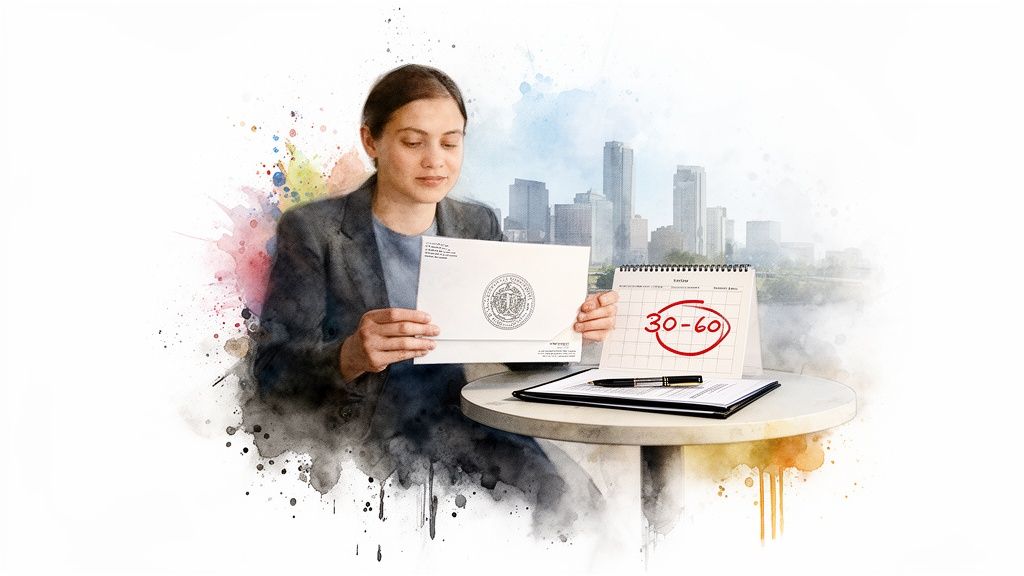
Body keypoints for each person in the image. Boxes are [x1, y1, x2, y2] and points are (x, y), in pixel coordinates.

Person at [253, 64, 618, 512]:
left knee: (572, 504)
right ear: (371, 141)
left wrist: (572, 326)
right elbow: (269, 372)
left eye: (450, 142)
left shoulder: (475, 223)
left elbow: (517, 345)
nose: (435, 160)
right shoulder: (314, 232)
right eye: (413, 142)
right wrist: (349, 355)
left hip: (453, 421)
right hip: (356, 430)